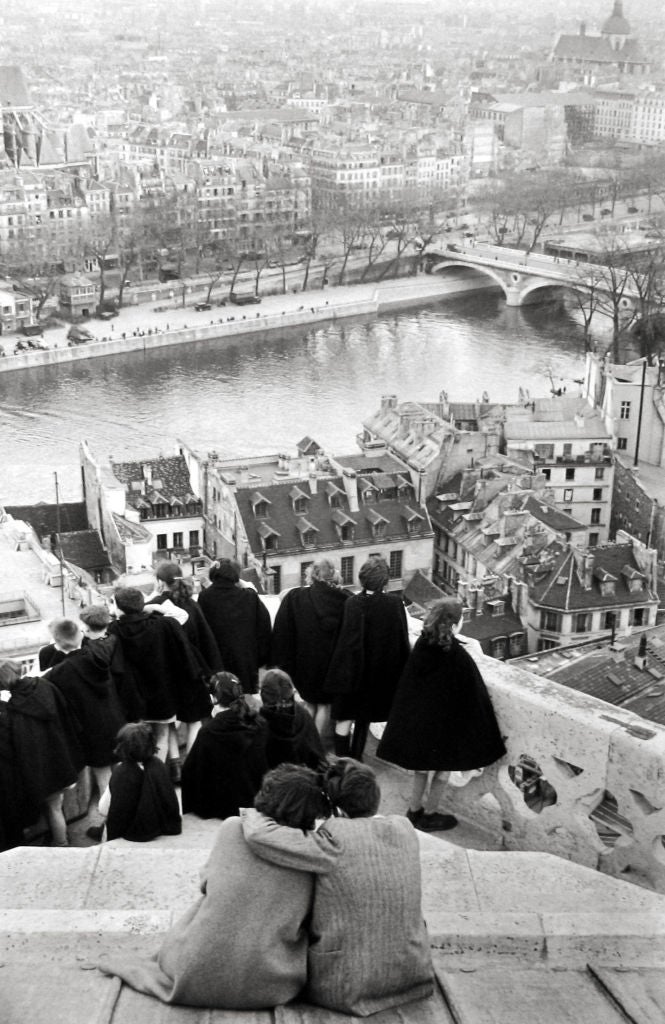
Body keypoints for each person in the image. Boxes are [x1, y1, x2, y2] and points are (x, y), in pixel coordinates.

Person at [97, 764, 341, 1008]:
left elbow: (206, 883)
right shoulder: (315, 855)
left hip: (192, 971)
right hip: (273, 985)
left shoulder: (233, 828)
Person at [243, 758, 433, 1017]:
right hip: (413, 974)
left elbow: (258, 835)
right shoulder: (404, 828)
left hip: (346, 987)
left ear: (338, 810)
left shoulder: (332, 840)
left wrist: (257, 808)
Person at [377, 598, 506, 832]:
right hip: (445, 726)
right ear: (455, 625)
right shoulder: (457, 656)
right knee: (442, 773)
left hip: (420, 724)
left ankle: (413, 810)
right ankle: (429, 814)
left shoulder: (422, 646)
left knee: (421, 770)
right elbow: (473, 695)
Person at [108, 587, 211, 767]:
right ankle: (158, 772)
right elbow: (182, 616)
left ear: (119, 608)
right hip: (162, 693)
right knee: (161, 735)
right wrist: (155, 608)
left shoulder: (114, 630)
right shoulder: (162, 624)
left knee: (136, 738)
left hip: (133, 696)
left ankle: (144, 773)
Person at [324, 557, 410, 760]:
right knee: (365, 718)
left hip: (351, 672)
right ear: (384, 581)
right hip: (377, 673)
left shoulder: (352, 603)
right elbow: (400, 640)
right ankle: (356, 758)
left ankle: (344, 763)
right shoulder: (394, 604)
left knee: (344, 719)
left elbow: (343, 638)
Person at [146, 562, 223, 774]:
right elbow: (206, 639)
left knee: (168, 723)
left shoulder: (154, 606)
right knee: (194, 720)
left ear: (160, 582)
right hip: (192, 670)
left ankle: (176, 767)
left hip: (166, 672)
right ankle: (190, 766)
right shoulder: (190, 604)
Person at [0, 659, 84, 847]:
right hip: (64, 759)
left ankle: (61, 843)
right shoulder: (45, 685)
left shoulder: (13, 708)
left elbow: (21, 746)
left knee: (53, 809)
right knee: (57, 806)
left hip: (44, 771)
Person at [43, 618, 125, 800]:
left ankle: (112, 824)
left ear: (56, 643)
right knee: (122, 773)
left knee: (105, 782)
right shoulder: (98, 655)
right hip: (116, 721)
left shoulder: (58, 673)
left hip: (92, 732)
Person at [270, 558, 349, 735]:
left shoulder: (295, 597)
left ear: (311, 575)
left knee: (309, 703)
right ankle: (316, 745)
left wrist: (282, 661)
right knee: (324, 706)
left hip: (304, 661)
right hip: (331, 664)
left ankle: (303, 742)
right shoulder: (346, 600)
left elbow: (283, 630)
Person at [181, 672, 268, 820]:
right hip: (253, 799)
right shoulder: (258, 722)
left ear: (213, 698)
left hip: (221, 805)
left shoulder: (209, 731)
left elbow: (193, 771)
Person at [197, 559, 271, 693]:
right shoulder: (249, 596)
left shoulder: (205, 597)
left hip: (217, 659)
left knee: (222, 698)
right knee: (245, 698)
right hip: (245, 659)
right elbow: (264, 627)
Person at [99, 723, 182, 843]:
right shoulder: (158, 765)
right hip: (160, 824)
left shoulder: (122, 772)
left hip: (131, 830)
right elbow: (169, 798)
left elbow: (104, 809)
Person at [259, 669, 325, 771]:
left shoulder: (258, 724)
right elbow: (317, 754)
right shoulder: (303, 715)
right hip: (307, 778)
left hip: (274, 782)